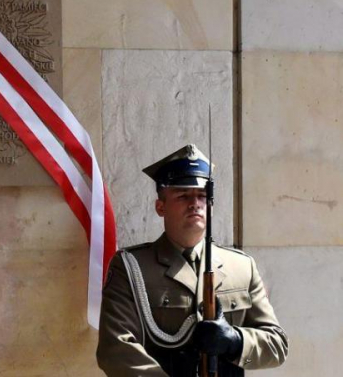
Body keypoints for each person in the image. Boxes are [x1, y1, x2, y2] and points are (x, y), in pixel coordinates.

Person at [96, 144, 288, 376]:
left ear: (211, 206)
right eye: (183, 195)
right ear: (160, 207)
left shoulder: (241, 267)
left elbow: (276, 345)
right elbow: (116, 349)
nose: (195, 203)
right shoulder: (131, 267)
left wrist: (235, 340)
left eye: (202, 196)